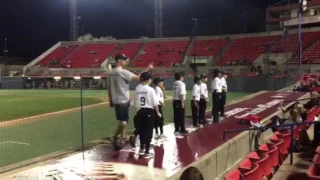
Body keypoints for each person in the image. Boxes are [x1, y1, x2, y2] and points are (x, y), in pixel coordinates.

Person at [108, 54, 153, 149]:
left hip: (115, 99)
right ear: (119, 61)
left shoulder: (111, 72)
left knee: (120, 120)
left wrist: (110, 100)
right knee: (124, 121)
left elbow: (109, 88)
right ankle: (115, 137)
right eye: (124, 60)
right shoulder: (123, 72)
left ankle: (123, 136)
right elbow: (138, 77)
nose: (125, 61)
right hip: (123, 99)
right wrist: (147, 69)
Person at [134, 72, 161, 158]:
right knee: (148, 132)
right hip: (148, 112)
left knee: (141, 131)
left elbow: (135, 102)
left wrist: (137, 111)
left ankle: (142, 148)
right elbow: (155, 103)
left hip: (139, 111)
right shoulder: (150, 89)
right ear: (149, 80)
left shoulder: (137, 89)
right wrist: (157, 112)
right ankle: (147, 152)